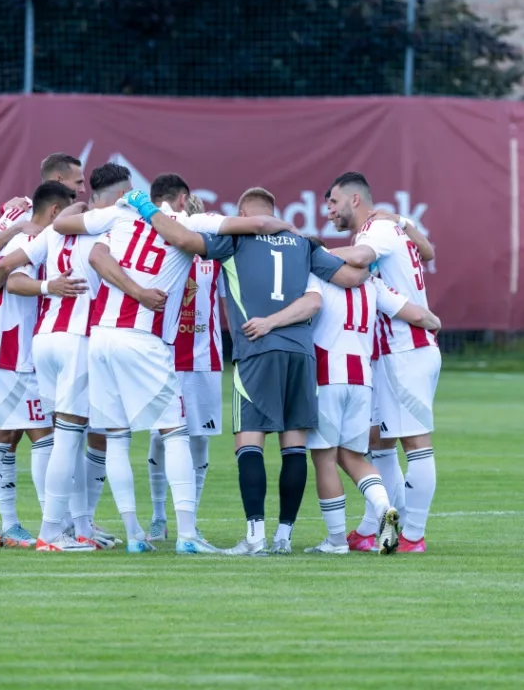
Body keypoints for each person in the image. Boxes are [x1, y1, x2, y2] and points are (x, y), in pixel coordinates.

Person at [126, 186, 367, 556]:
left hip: (256, 350)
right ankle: (284, 538)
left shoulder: (235, 242)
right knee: (294, 446)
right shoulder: (303, 244)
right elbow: (352, 277)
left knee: (249, 443)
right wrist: (381, 253)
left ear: (242, 216)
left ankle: (255, 537)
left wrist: (143, 206)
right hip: (301, 353)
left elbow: (181, 238)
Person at [89, 176, 293, 553]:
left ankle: (134, 535)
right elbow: (260, 224)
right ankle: (185, 535)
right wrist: (290, 232)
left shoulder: (121, 219)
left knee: (116, 438)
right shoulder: (187, 223)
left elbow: (96, 256)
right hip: (144, 340)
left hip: (102, 337)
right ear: (183, 199)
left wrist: (132, 289)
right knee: (175, 435)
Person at [11, 164, 163, 552]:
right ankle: (51, 533)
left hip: (45, 339)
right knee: (68, 438)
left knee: (65, 438)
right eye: (128, 193)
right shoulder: (114, 221)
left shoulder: (62, 224)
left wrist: (46, 284)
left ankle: (78, 528)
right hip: (78, 339)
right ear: (115, 197)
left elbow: (10, 269)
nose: (133, 200)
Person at [255, 237, 441, 554]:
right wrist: (435, 322)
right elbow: (419, 316)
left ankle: (336, 540)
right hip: (364, 379)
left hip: (327, 375)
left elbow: (307, 306)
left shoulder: (315, 278)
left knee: (324, 458)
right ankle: (384, 508)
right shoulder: (374, 286)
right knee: (353, 455)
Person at [325, 171, 441, 554]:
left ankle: (412, 536)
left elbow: (360, 258)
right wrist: (405, 221)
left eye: (333, 203)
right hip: (395, 352)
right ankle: (375, 525)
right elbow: (428, 252)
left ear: (355, 200)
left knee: (416, 443)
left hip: (405, 349)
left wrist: (308, 253)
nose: (329, 212)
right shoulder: (392, 228)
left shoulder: (375, 232)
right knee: (377, 441)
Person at [0, 181, 82, 549]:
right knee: (44, 437)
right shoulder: (35, 239)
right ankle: (56, 528)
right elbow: (10, 277)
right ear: (53, 211)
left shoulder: (19, 234)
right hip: (13, 355)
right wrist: (50, 287)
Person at [146, 194, 225, 543]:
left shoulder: (215, 257)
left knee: (199, 438)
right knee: (159, 435)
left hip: (205, 357)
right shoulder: (160, 252)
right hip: (164, 355)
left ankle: (188, 521)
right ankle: (159, 516)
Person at [0, 153, 87, 262]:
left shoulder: (77, 219)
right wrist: (18, 228)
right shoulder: (22, 209)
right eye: (78, 182)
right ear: (58, 180)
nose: (83, 189)